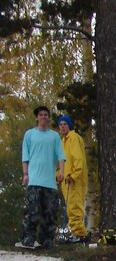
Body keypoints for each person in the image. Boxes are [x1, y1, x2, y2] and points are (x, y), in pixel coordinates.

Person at [16, 105, 65, 250]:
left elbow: (61, 156)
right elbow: (25, 156)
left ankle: (47, 241)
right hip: (34, 181)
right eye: (41, 115)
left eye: (46, 115)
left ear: (48, 118)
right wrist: (25, 174)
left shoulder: (54, 136)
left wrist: (61, 172)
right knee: (33, 212)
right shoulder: (30, 134)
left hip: (50, 182)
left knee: (50, 213)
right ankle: (28, 239)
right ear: (37, 118)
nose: (44, 117)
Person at [56, 114, 89, 243]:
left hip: (74, 180)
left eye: (65, 124)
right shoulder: (62, 141)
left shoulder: (73, 138)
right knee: (70, 207)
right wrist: (58, 174)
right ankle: (76, 233)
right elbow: (61, 161)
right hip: (66, 180)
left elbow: (78, 159)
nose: (62, 127)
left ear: (69, 125)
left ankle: (80, 234)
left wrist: (74, 175)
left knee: (75, 207)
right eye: (60, 125)